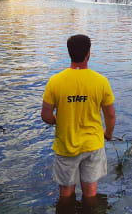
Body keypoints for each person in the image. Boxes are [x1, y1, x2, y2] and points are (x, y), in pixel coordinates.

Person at [41, 34, 116, 212]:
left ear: (69, 53)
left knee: (66, 193)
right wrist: (108, 134)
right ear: (88, 53)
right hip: (93, 145)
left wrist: (57, 120)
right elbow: (111, 116)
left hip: (66, 146)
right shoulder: (101, 81)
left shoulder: (55, 81)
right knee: (90, 193)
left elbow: (45, 115)